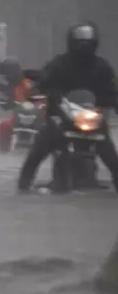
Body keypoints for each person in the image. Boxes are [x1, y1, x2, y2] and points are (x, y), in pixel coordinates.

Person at [17, 23, 118, 193]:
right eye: (80, 43)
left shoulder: (102, 67)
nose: (84, 47)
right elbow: (44, 81)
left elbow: (111, 89)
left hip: (91, 116)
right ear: (72, 43)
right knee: (38, 149)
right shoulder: (59, 64)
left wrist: (113, 102)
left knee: (110, 154)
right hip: (62, 115)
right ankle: (24, 184)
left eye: (88, 43)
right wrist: (45, 92)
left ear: (95, 44)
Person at [0, 58, 36, 152]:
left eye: (6, 74)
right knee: (4, 125)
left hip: (37, 113)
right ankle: (3, 150)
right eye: (4, 75)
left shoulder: (29, 80)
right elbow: (9, 98)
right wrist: (6, 101)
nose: (5, 77)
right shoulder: (11, 85)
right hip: (18, 114)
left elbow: (41, 94)